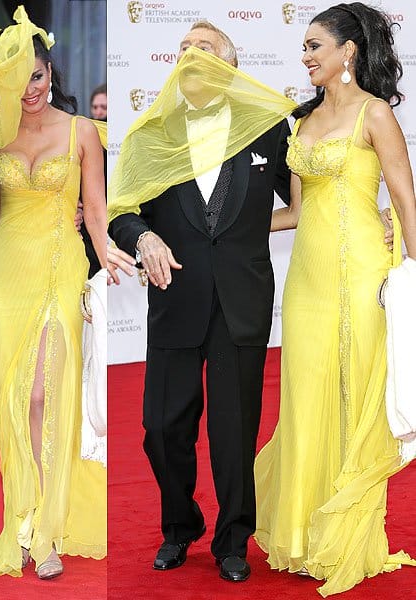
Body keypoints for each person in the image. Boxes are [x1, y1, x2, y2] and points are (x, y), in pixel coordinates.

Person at [109, 20, 294, 583]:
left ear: (229, 64)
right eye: (185, 48)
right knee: (162, 429)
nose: (192, 55)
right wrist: (143, 236)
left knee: (235, 431)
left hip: (242, 300)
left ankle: (233, 539)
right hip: (174, 298)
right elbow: (121, 212)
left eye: (205, 48)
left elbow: (308, 201)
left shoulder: (269, 130)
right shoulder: (151, 133)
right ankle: (179, 527)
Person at [254, 3, 416, 596]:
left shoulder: (375, 114)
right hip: (308, 280)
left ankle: (346, 536)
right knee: (306, 392)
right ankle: (302, 534)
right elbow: (294, 213)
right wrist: (226, 228)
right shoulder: (300, 123)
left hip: (362, 273)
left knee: (356, 393)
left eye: (316, 45)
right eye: (303, 47)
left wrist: (414, 277)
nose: (306, 56)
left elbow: (404, 196)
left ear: (349, 51)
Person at [0, 7, 107, 579]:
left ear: (53, 74)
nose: (30, 88)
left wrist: (110, 249)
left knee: (47, 394)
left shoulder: (81, 131)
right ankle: (20, 518)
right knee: (14, 399)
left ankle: (46, 532)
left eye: (39, 75)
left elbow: (96, 209)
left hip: (59, 267)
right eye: (19, 77)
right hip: (4, 273)